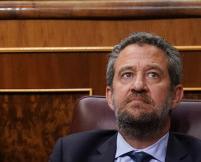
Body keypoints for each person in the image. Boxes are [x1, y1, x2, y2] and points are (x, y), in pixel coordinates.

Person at [49, 32, 201, 161]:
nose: (138, 85)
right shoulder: (70, 154)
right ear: (110, 96)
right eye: (127, 74)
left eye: (153, 75)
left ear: (175, 95)